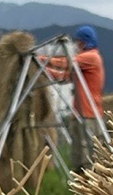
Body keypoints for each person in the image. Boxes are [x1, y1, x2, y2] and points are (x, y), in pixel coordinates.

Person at [42, 25, 105, 171]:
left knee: (89, 153)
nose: (76, 46)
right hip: (79, 113)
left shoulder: (91, 57)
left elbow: (65, 63)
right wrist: (43, 69)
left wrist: (41, 59)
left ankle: (92, 183)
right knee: (77, 154)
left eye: (78, 43)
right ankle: (80, 182)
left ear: (83, 42)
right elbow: (63, 76)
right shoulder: (82, 66)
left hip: (89, 114)